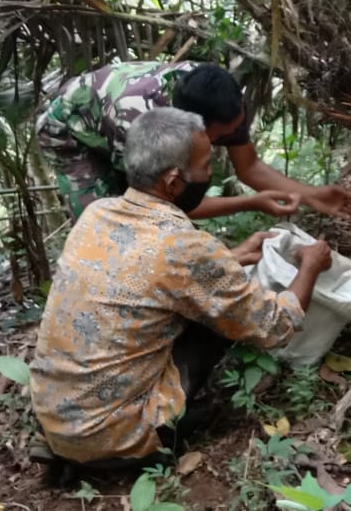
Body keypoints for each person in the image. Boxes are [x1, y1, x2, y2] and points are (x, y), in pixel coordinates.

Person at [30, 107, 334, 466]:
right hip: (112, 438)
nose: (210, 173)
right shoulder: (184, 246)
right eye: (205, 166)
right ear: (174, 182)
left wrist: (231, 257)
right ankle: (154, 432)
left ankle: (74, 442)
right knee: (215, 322)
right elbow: (274, 326)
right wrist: (311, 265)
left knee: (197, 301)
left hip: (56, 421)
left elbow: (142, 272)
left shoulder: (97, 214)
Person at [36, 60, 351, 219]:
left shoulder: (219, 99)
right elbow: (157, 206)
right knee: (112, 222)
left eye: (236, 127)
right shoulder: (138, 124)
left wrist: (312, 195)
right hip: (70, 132)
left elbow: (249, 167)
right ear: (197, 130)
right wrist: (249, 203)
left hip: (119, 113)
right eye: (222, 137)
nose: (230, 138)